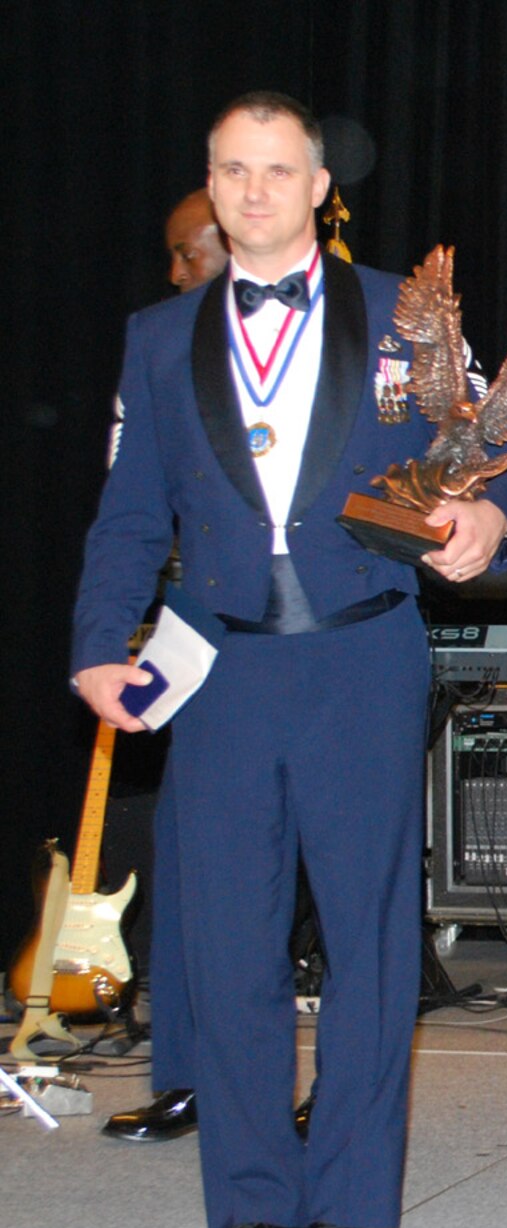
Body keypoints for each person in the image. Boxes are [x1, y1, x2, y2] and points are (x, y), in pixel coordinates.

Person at [71, 91, 507, 1228]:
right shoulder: (154, 337)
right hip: (216, 666)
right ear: (212, 185)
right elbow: (128, 512)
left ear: (320, 186)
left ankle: (343, 1202)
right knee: (225, 944)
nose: (255, 190)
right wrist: (92, 643)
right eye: (234, 170)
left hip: (358, 656)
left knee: (371, 939)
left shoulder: (401, 314)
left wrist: (489, 510)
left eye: (279, 170)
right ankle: (249, 1199)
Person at [100, 189, 229, 1145]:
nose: (178, 272)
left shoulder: (357, 334)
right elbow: (131, 502)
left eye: (189, 255)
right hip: (203, 639)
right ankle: (186, 1071)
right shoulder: (161, 349)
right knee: (191, 864)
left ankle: (334, 1087)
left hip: (331, 640)